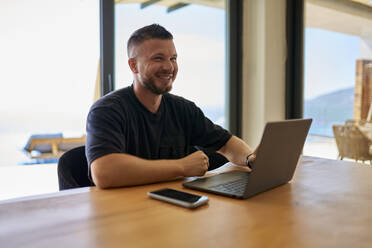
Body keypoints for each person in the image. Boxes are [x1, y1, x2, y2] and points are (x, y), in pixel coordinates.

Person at [86, 24, 256, 189]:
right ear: (133, 65)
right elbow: (104, 172)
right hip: (123, 211)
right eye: (158, 58)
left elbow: (226, 143)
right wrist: (182, 166)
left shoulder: (183, 109)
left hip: (172, 205)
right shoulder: (107, 110)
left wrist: (250, 158)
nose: (169, 67)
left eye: (173, 59)